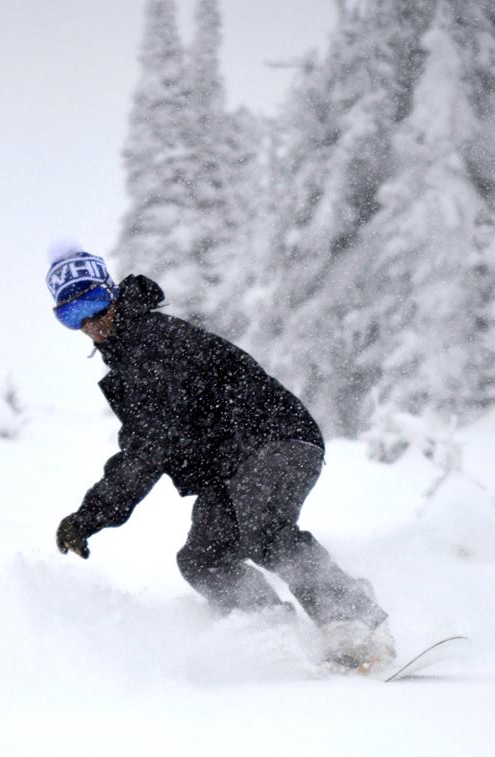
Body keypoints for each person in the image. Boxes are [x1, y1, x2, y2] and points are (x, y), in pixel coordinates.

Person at [46, 241, 396, 673]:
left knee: (265, 531)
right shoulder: (128, 361)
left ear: (112, 293)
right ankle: (273, 632)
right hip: (230, 466)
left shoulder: (151, 344)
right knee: (203, 559)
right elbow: (149, 443)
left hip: (275, 438)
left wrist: (91, 515)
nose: (90, 323)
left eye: (95, 303)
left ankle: (355, 619)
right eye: (71, 316)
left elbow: (147, 449)